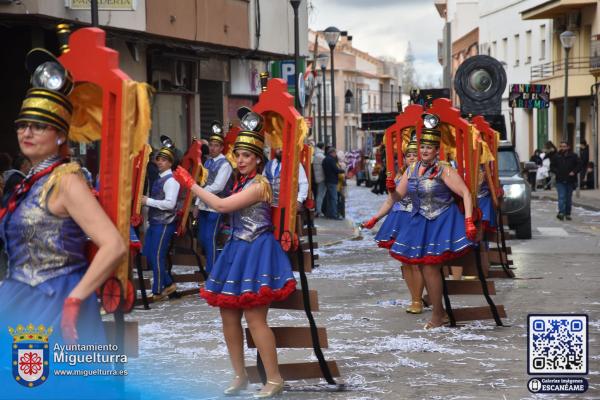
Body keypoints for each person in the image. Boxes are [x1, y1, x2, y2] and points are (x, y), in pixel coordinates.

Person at [0, 48, 126, 348]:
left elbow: (114, 245)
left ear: (60, 135)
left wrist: (75, 299)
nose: (27, 133)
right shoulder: (28, 182)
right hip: (18, 298)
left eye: (39, 126)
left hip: (56, 301)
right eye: (22, 125)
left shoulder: (66, 181)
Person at [173, 107, 295, 398]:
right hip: (237, 249)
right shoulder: (239, 181)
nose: (240, 160)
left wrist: (191, 186)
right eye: (238, 155)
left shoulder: (260, 184)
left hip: (257, 251)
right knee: (228, 316)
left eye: (247, 156)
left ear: (258, 160)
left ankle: (275, 378)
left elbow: (222, 207)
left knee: (255, 319)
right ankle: (240, 375)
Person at [387, 115, 477, 329]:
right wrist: (391, 188)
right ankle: (439, 312)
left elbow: (465, 192)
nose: (425, 150)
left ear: (437, 150)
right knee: (426, 267)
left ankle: (438, 314)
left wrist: (469, 220)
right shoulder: (411, 169)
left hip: (443, 221)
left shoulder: (444, 169)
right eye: (422, 147)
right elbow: (398, 197)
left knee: (429, 268)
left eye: (429, 147)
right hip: (421, 223)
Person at [362, 137, 425, 314]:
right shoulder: (399, 175)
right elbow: (391, 201)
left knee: (415, 263)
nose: (412, 158)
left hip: (416, 219)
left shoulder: (425, 174)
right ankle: (414, 297)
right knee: (405, 263)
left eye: (415, 154)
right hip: (398, 220)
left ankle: (418, 300)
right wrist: (375, 218)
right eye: (408, 155)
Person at [193, 122, 233, 274]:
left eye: (216, 145)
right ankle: (214, 269)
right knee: (203, 239)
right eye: (210, 145)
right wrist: (197, 203)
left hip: (216, 206)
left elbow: (218, 186)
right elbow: (203, 183)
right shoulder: (208, 162)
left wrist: (199, 192)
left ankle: (213, 274)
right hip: (204, 205)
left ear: (222, 148)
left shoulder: (225, 164)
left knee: (210, 239)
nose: (212, 148)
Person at [142, 146, 181, 300]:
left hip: (165, 223)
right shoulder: (160, 178)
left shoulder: (171, 181)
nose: (159, 162)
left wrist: (148, 201)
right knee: (150, 255)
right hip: (155, 222)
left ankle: (157, 291)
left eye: (164, 160)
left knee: (157, 256)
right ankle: (169, 284)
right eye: (158, 159)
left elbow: (170, 204)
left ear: (170, 163)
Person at [550, 141, 581, 221]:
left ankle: (567, 213)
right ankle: (561, 212)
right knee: (561, 197)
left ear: (568, 147)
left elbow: (579, 165)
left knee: (568, 198)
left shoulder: (573, 156)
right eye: (561, 146)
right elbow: (552, 167)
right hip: (560, 180)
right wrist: (557, 172)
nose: (563, 148)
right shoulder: (557, 156)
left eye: (564, 146)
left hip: (570, 180)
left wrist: (573, 172)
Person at [322, 147, 345, 220]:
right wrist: (342, 171)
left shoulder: (325, 159)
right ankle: (334, 215)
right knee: (334, 198)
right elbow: (336, 170)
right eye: (335, 153)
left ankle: (329, 214)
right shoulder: (331, 160)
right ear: (332, 153)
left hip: (327, 180)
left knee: (329, 198)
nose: (336, 154)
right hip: (332, 181)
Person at [312, 142, 326, 217]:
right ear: (322, 147)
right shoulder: (321, 156)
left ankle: (318, 210)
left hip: (318, 177)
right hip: (322, 177)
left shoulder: (316, 155)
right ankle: (319, 210)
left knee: (319, 194)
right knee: (320, 195)